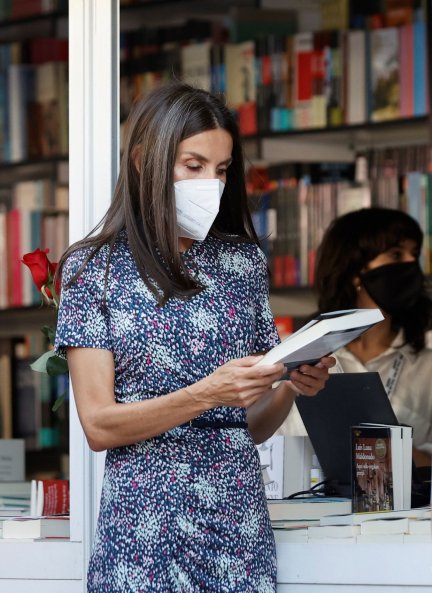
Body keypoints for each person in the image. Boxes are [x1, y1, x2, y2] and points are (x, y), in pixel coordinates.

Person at [54, 82, 334, 593]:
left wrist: (291, 383)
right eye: (193, 165)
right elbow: (98, 426)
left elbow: (247, 427)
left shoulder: (241, 262)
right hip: (144, 535)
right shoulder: (93, 269)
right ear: (145, 161)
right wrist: (209, 392)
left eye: (223, 169)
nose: (212, 182)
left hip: (238, 530)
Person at [278, 207, 432, 469]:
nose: (410, 265)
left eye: (414, 255)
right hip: (305, 505)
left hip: (405, 509)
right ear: (354, 271)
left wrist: (389, 444)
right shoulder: (296, 355)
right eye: (396, 254)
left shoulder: (426, 364)